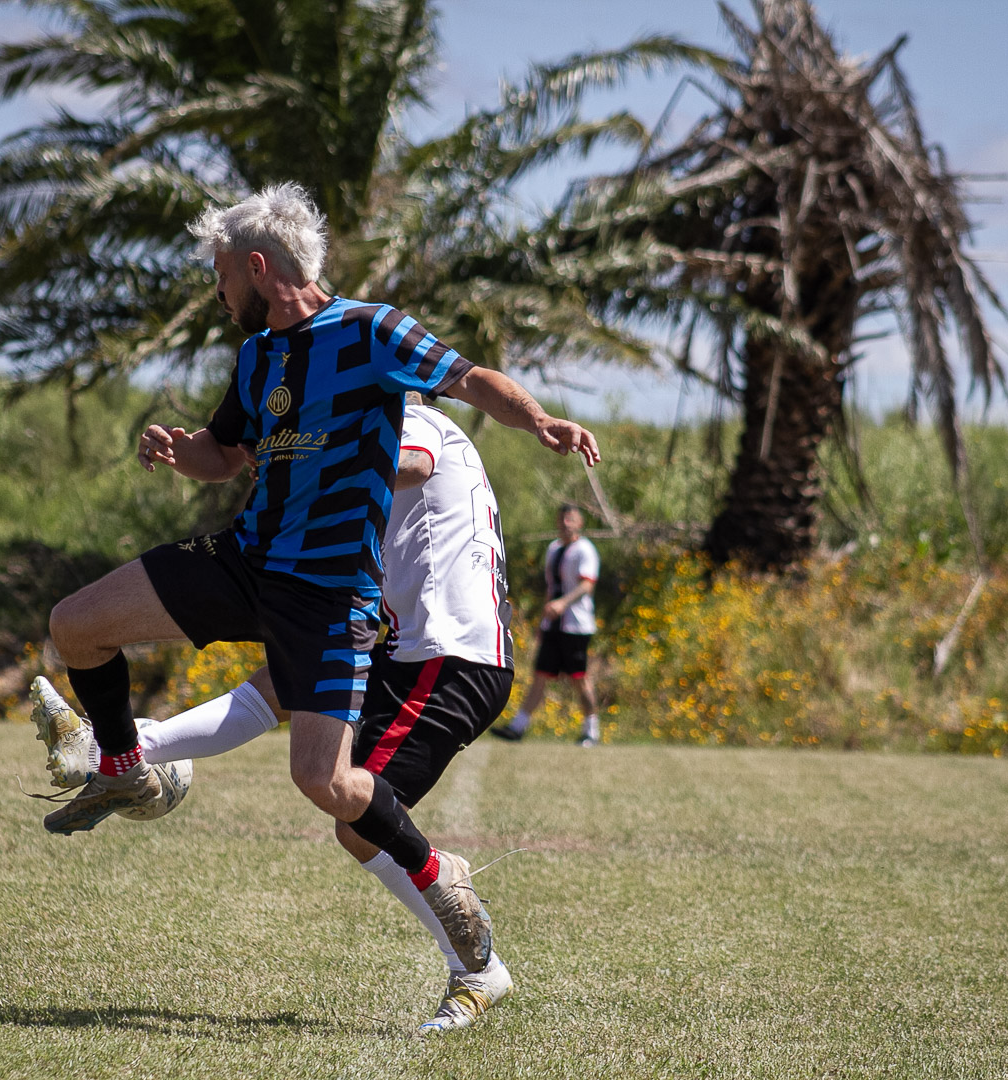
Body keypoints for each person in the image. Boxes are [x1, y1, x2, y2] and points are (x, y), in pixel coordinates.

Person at [38, 182, 599, 978]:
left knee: (326, 782)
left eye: (221, 274)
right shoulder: (257, 356)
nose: (217, 291)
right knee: (76, 625)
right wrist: (179, 450)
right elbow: (224, 454)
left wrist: (537, 418)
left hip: (329, 593)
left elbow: (470, 380)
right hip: (246, 559)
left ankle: (438, 877)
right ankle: (127, 769)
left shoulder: (373, 330)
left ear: (257, 266)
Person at [30, 397, 517, 1034]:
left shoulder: (415, 422)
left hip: (448, 659)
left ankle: (478, 969)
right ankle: (122, 753)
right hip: (408, 645)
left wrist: (296, 458)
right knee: (279, 686)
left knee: (357, 822)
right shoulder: (395, 432)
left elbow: (410, 463)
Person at [493, 503, 601, 746]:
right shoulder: (554, 549)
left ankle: (591, 730)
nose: (566, 523)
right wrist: (544, 620)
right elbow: (551, 588)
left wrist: (563, 603)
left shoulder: (585, 550)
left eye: (570, 519)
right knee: (541, 673)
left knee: (579, 677)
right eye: (562, 519)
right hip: (553, 625)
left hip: (576, 625)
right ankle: (518, 727)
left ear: (580, 523)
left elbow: (587, 585)